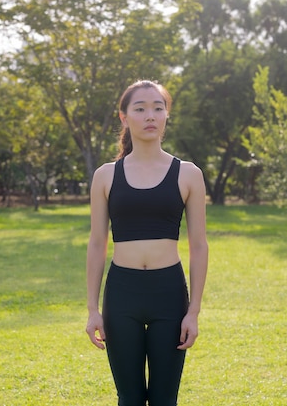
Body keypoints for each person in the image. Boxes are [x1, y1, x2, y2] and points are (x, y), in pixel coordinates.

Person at [86, 80, 209, 406]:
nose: (150, 115)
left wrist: (193, 312)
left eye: (158, 107)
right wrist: (92, 310)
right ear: (124, 117)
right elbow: (97, 243)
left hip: (168, 292)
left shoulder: (188, 174)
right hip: (122, 293)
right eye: (140, 109)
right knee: (129, 399)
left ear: (167, 115)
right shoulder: (105, 176)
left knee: (164, 400)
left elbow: (199, 246)